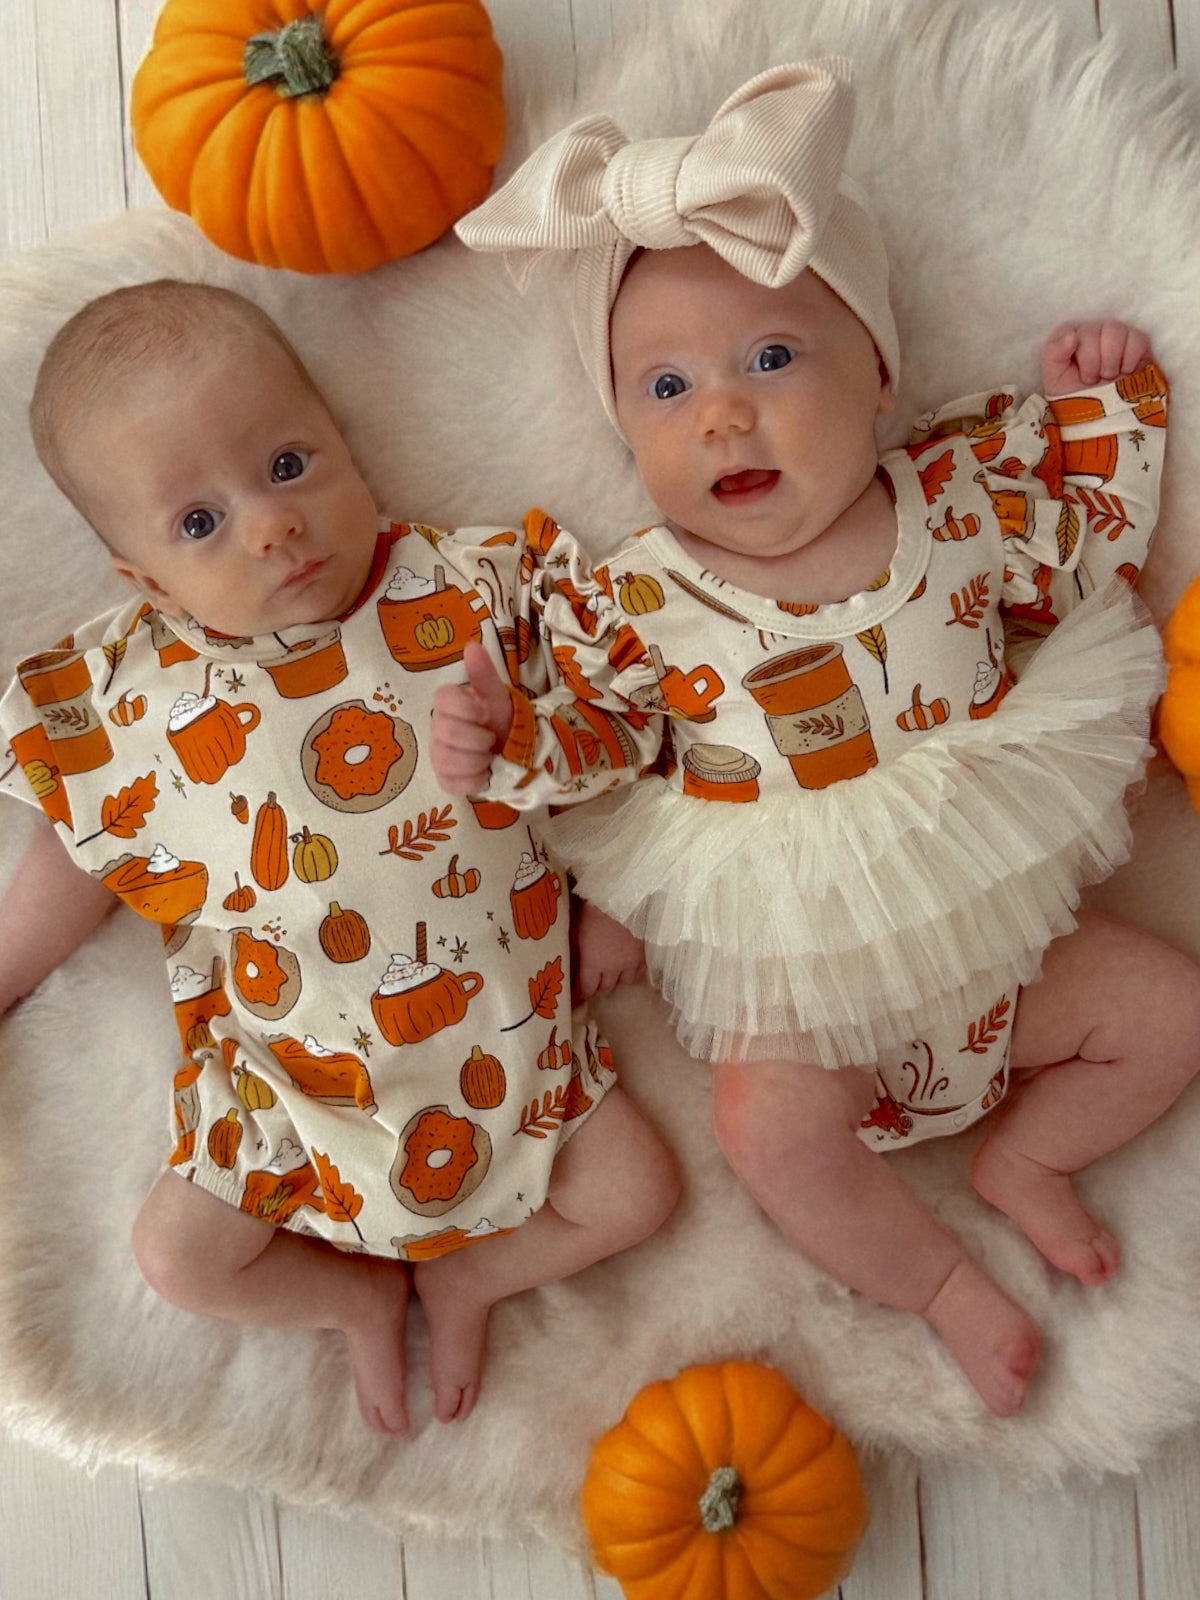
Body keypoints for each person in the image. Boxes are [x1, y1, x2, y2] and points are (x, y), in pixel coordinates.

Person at [430, 59, 1200, 1417]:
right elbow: (606, 741)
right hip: (799, 1009)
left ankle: (1029, 1158)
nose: (721, 410)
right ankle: (943, 1286)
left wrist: (1092, 406)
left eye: (772, 359)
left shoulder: (958, 492)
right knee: (764, 1132)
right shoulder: (640, 596)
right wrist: (508, 738)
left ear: (884, 376)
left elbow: (1079, 545)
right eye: (663, 389)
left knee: (1167, 1013)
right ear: (623, 430)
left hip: (1010, 954)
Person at [0, 279, 679, 1437]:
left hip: (515, 1049)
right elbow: (82, 844)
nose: (271, 524)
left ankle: (476, 1273)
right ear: (149, 584)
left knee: (639, 1192)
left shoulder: (469, 593)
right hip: (289, 1096)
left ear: (342, 437)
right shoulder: (141, 698)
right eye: (200, 522)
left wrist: (615, 891)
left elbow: (629, 722)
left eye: (288, 464)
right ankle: (356, 1298)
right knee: (179, 1255)